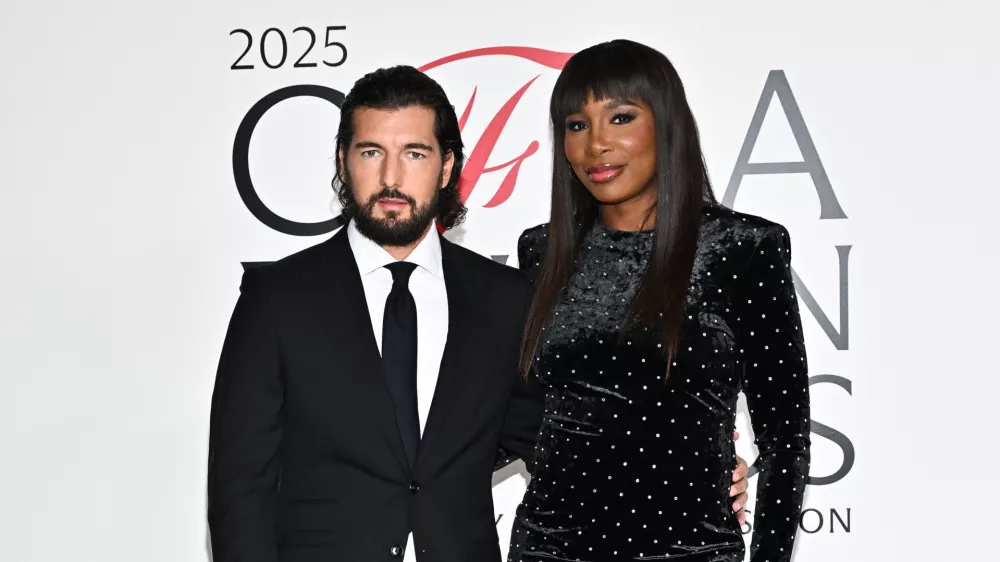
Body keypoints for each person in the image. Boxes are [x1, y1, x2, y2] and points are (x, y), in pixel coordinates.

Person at [207, 64, 750, 562]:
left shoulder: (505, 298)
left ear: (446, 168)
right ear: (343, 164)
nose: (392, 176)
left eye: (415, 153)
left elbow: (562, 441)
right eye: (371, 152)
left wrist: (694, 474)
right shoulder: (277, 298)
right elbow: (239, 490)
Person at [507, 40, 811, 562]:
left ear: (666, 124)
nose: (596, 144)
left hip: (689, 552)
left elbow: (785, 439)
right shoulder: (541, 251)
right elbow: (519, 416)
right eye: (576, 125)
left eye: (620, 117)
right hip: (547, 550)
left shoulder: (743, 249)